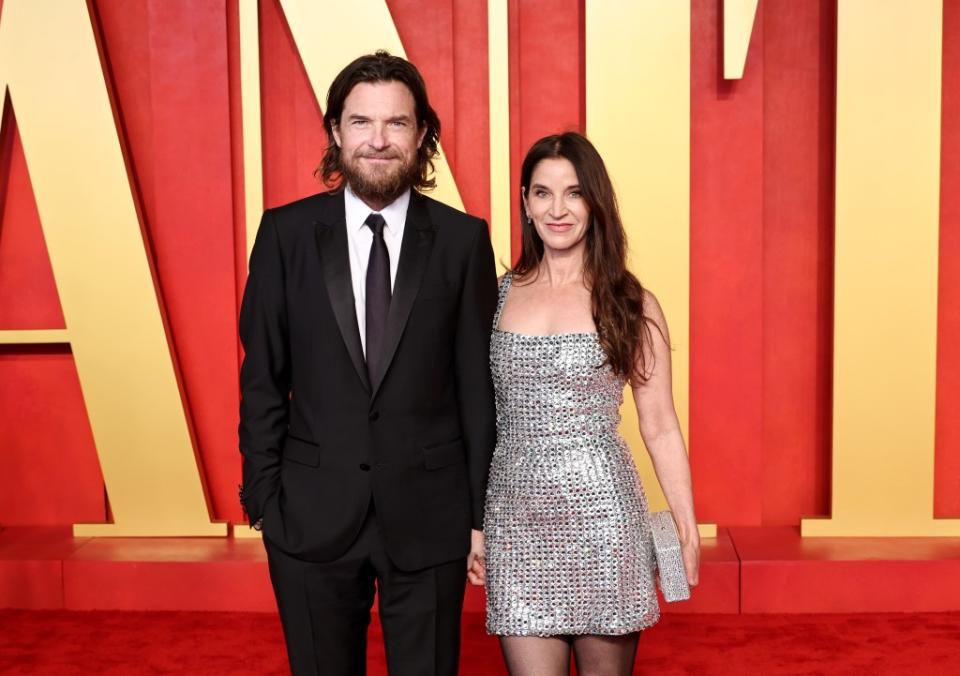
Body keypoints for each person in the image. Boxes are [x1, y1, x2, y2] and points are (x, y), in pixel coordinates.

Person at [238, 51, 497, 676]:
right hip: (308, 515)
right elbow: (262, 376)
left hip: (431, 517)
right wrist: (265, 500)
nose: (378, 141)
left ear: (422, 134)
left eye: (397, 124)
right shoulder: (285, 234)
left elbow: (477, 387)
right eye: (361, 122)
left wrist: (478, 516)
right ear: (335, 131)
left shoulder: (464, 242)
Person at [475, 132, 700, 675]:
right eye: (542, 193)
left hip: (605, 521)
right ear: (526, 203)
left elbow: (661, 425)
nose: (558, 209)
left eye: (574, 194)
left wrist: (688, 526)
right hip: (515, 521)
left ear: (594, 203)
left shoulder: (630, 303)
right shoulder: (494, 296)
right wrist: (473, 525)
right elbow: (474, 419)